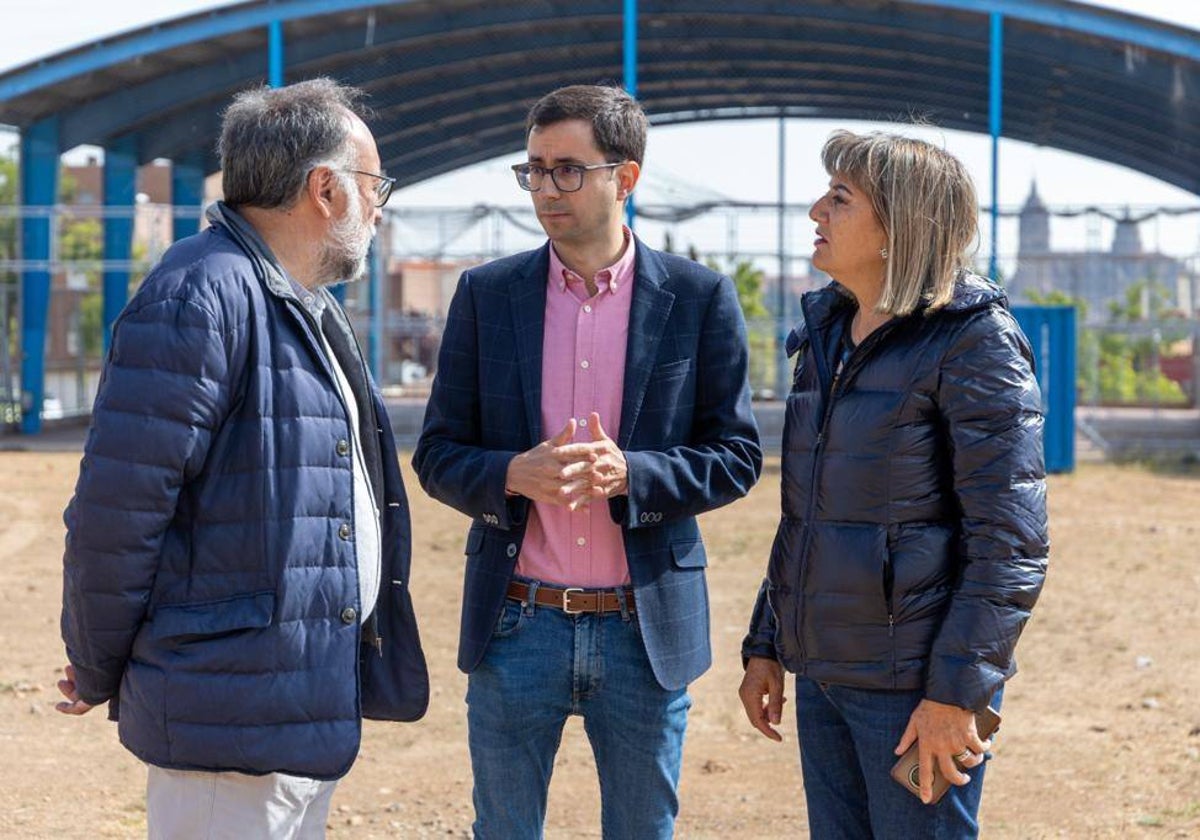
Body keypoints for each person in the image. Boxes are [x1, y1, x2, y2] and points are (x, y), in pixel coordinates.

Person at [56, 78, 429, 838]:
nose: (380, 205)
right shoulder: (200, 295)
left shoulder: (299, 300)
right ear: (325, 189)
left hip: (286, 698)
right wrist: (96, 663)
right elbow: (118, 513)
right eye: (373, 183)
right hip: (227, 716)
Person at [413, 83, 762, 839]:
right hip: (516, 623)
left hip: (647, 631)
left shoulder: (699, 299)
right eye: (533, 168)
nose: (545, 187)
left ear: (625, 177)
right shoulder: (485, 295)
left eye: (567, 169)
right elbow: (436, 453)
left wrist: (633, 475)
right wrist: (510, 475)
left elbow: (737, 457)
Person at [738, 129, 1049, 839]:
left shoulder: (974, 342)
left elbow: (1009, 543)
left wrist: (954, 694)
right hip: (825, 675)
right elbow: (807, 516)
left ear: (900, 225)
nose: (816, 211)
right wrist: (768, 642)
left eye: (839, 199)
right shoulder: (825, 335)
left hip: (913, 689)